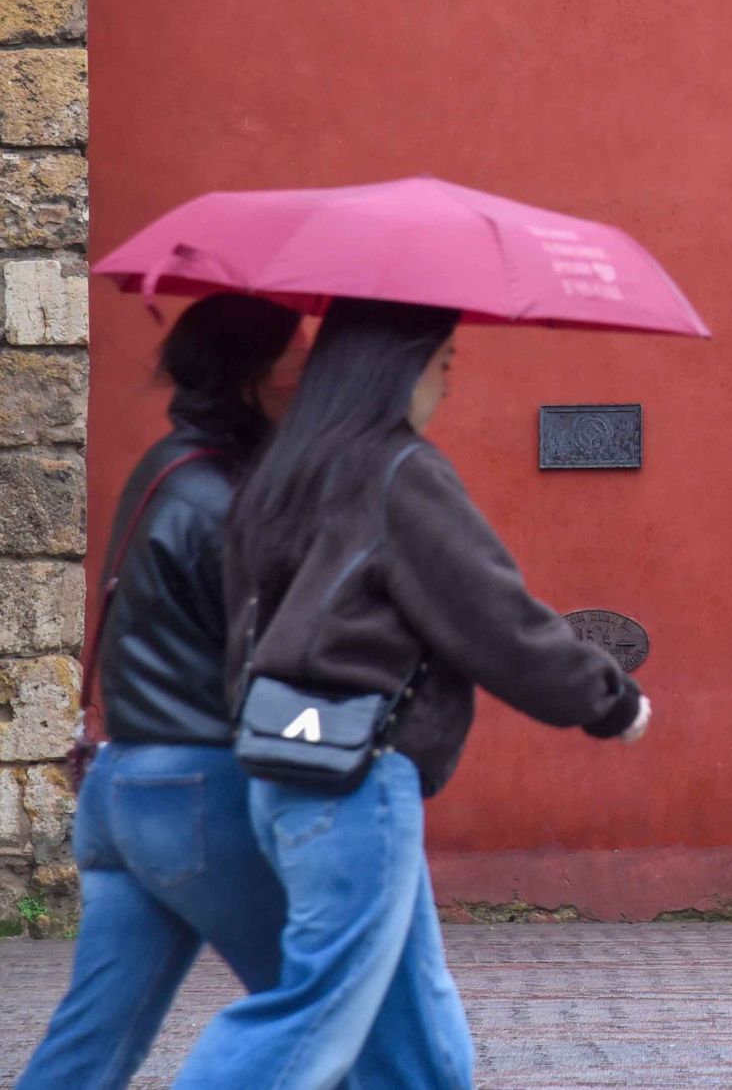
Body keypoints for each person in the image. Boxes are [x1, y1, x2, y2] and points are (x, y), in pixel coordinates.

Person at [173, 296, 651, 1090]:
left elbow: (241, 625)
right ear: (396, 368)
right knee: (310, 1017)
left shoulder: (287, 468)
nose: (448, 384)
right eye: (443, 362)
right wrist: (610, 699)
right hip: (356, 778)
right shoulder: (399, 470)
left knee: (419, 1049)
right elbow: (494, 614)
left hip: (284, 763)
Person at [18, 293, 304, 1090]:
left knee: (88, 1049)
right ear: (251, 377)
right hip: (199, 791)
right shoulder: (225, 499)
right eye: (299, 361)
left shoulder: (167, 467)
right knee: (321, 1006)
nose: (312, 377)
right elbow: (274, 660)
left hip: (122, 784)